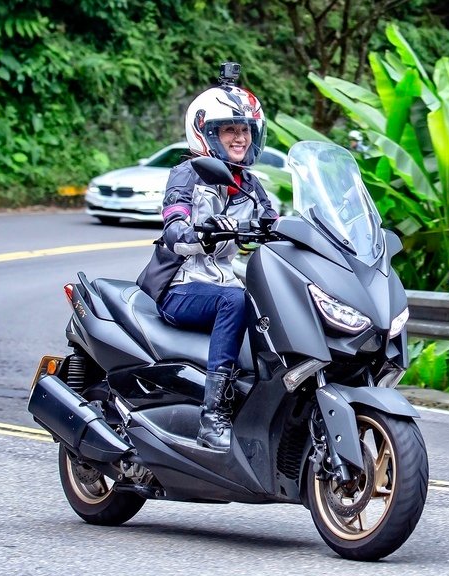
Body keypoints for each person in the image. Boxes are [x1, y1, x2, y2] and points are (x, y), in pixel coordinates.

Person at [156, 65, 277, 451]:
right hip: (183, 286)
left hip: (227, 283)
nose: (240, 138)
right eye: (230, 130)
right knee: (235, 300)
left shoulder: (251, 184)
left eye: (245, 130)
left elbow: (274, 224)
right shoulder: (187, 175)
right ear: (207, 133)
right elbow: (174, 229)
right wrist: (201, 232)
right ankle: (213, 417)